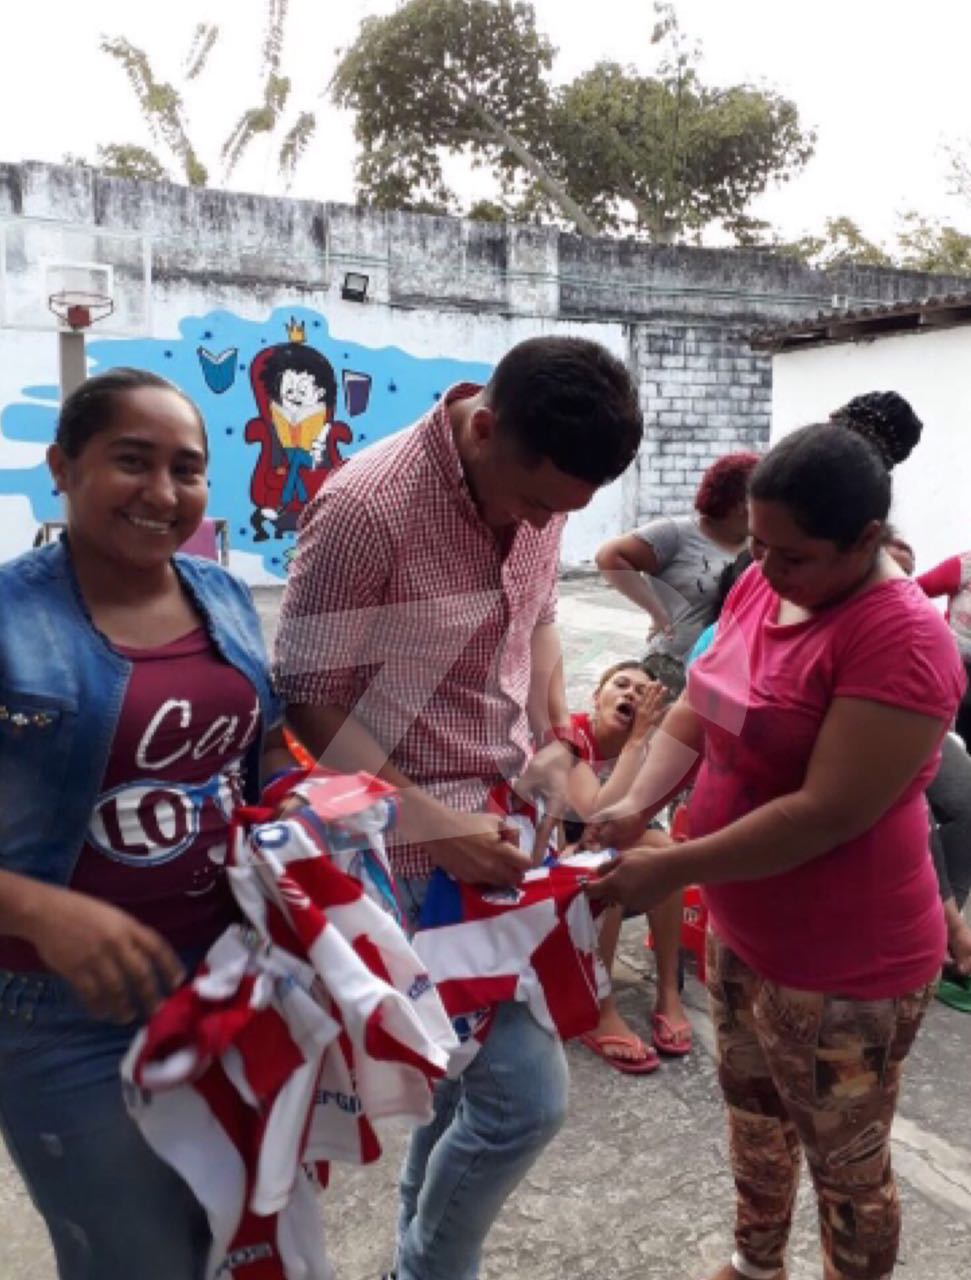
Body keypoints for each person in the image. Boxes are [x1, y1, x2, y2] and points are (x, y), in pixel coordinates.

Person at [273, 336, 643, 1280]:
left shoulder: (540, 489)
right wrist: (433, 828)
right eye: (530, 502)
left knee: (463, 1086)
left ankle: (415, 1256)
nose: (538, 525)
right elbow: (309, 695)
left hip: (504, 821)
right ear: (484, 429)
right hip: (401, 850)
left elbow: (538, 617)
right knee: (524, 1101)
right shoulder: (365, 507)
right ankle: (431, 1269)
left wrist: (557, 733)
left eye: (558, 514)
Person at [587, 407, 963, 1280]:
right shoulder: (768, 581)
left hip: (844, 966)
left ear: (866, 538)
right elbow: (695, 709)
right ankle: (755, 1265)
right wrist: (635, 801)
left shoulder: (901, 641)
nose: (765, 567)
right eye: (756, 544)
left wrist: (671, 864)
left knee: (846, 1168)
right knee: (752, 1119)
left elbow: (824, 812)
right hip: (744, 925)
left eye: (792, 554)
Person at [0, 369, 288, 1280]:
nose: (164, 494)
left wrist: (300, 814)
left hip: (225, 983)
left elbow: (263, 750)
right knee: (133, 1260)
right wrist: (44, 912)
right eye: (133, 461)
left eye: (187, 469)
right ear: (63, 467)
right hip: (58, 1017)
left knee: (222, 1236)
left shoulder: (223, 596)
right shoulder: (9, 619)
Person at [564, 661, 690, 1071]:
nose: (630, 695)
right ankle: (598, 1008)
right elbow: (597, 815)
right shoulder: (570, 737)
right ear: (595, 697)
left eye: (641, 692)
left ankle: (668, 992)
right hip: (553, 860)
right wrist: (636, 744)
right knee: (610, 866)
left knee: (665, 854)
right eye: (621, 685)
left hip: (598, 853)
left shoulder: (648, 749)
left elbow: (641, 823)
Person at [595, 451, 758, 661]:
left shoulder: (759, 547)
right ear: (739, 504)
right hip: (671, 667)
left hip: (724, 671)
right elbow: (608, 557)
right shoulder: (676, 534)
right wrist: (657, 610)